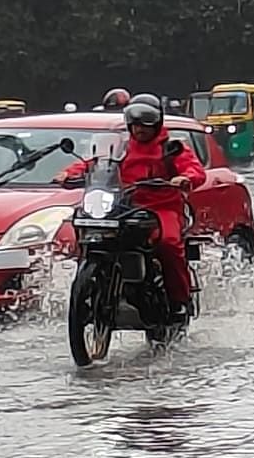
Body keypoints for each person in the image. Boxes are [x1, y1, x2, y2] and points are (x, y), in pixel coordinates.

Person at [54, 102, 207, 320]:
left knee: (168, 244)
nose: (139, 130)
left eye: (145, 125)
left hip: (162, 207)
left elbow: (194, 169)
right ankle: (92, 285)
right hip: (124, 206)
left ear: (156, 125)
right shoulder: (121, 146)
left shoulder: (172, 146)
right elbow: (94, 163)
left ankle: (178, 302)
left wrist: (185, 178)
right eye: (135, 125)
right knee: (88, 229)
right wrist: (68, 173)